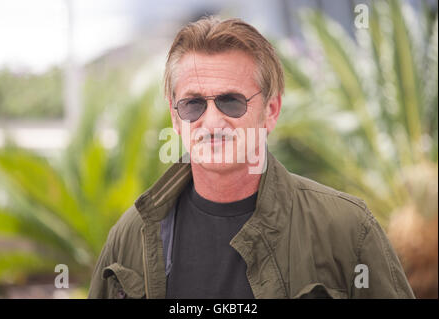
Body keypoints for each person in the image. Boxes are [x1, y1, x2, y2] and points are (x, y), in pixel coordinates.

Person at [88, 16, 415, 299]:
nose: (213, 122)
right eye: (193, 104)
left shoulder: (347, 230)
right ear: (175, 118)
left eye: (232, 102)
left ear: (270, 110)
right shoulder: (131, 235)